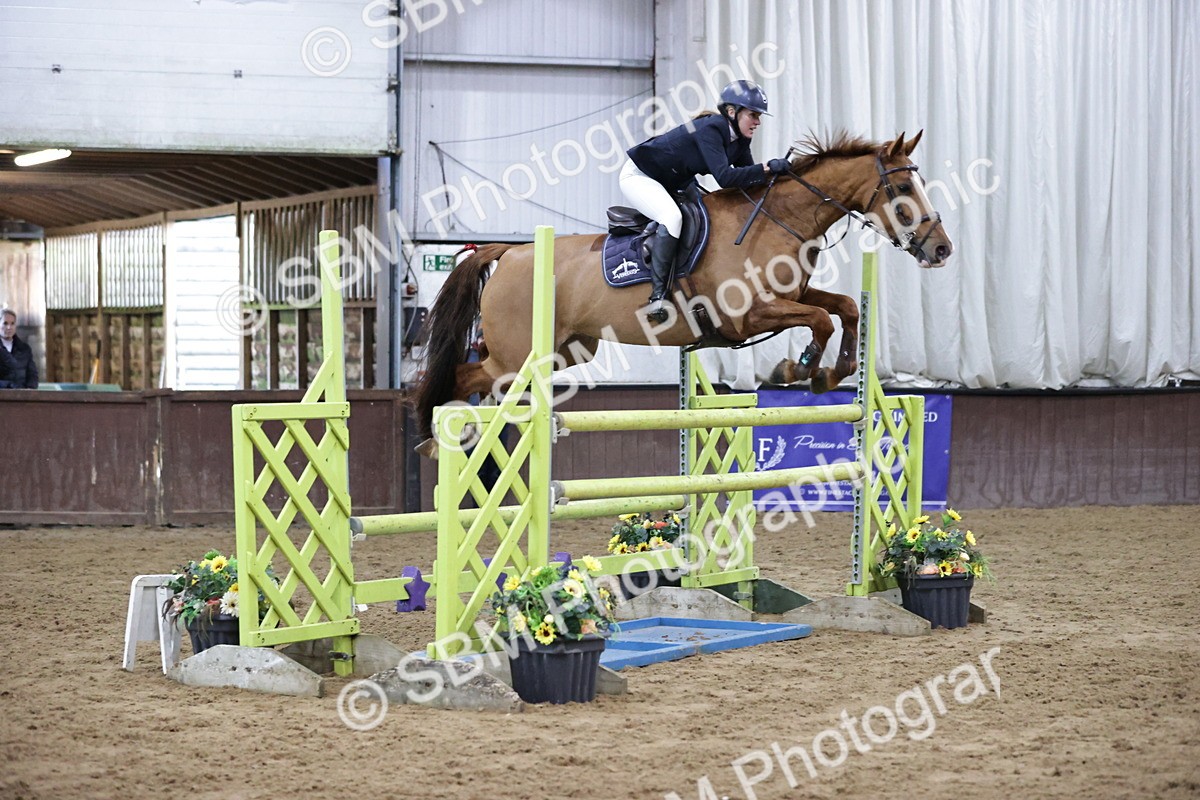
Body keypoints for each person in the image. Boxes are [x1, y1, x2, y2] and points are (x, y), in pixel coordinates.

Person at [620, 79, 791, 322]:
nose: (758, 122)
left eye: (759, 116)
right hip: (640, 175)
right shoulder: (711, 128)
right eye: (753, 115)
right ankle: (657, 296)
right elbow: (725, 177)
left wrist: (779, 176)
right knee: (672, 218)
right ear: (731, 112)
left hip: (675, 181)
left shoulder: (740, 138)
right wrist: (767, 167)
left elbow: (748, 180)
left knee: (709, 215)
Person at [0, 308, 38, 389]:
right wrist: (8, 385)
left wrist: (30, 389)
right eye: (5, 323)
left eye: (12, 323)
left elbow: (32, 375)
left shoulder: (25, 349)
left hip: (21, 394)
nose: (9, 327)